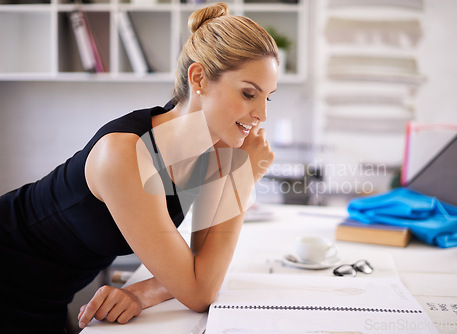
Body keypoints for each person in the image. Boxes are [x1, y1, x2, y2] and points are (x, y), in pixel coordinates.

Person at [0, 2, 278, 333]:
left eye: (268, 98)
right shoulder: (126, 154)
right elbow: (199, 290)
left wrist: (143, 292)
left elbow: (204, 273)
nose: (262, 114)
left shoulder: (215, 149)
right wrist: (242, 179)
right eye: (249, 94)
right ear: (199, 77)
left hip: (47, 295)